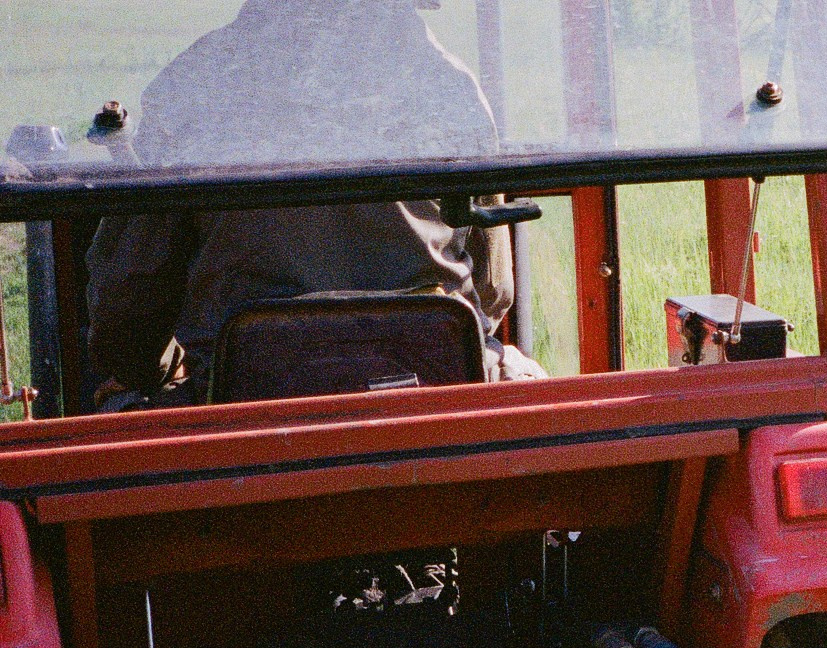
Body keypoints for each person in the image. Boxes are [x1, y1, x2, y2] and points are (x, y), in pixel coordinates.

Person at [86, 0, 544, 407]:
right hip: (430, 392)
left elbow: (127, 317)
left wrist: (169, 373)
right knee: (526, 388)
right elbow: (492, 291)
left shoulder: (191, 87)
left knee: (117, 401)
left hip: (244, 411)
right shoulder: (453, 87)